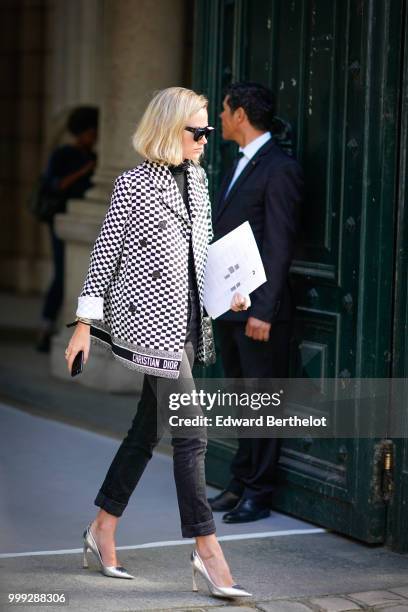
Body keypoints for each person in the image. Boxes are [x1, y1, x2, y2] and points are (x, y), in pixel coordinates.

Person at [64, 87, 251, 599]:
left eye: (209, 130)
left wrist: (229, 293)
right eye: (197, 130)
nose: (205, 140)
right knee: (193, 435)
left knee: (146, 434)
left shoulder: (199, 180)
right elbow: (103, 258)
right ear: (169, 129)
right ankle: (207, 552)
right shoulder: (132, 185)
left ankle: (101, 526)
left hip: (192, 326)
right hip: (152, 329)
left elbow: (204, 253)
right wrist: (83, 324)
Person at [209, 82, 303, 523]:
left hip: (259, 312)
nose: (220, 120)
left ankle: (259, 493)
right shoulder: (237, 163)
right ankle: (240, 480)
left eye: (225, 111)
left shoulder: (279, 167)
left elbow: (279, 242)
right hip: (230, 305)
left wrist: (264, 310)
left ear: (241, 114)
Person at [36, 106, 98, 352]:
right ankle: (45, 326)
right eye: (92, 131)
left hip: (81, 221)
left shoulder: (92, 155)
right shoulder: (64, 154)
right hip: (61, 220)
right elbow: (55, 185)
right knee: (62, 275)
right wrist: (84, 171)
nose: (95, 136)